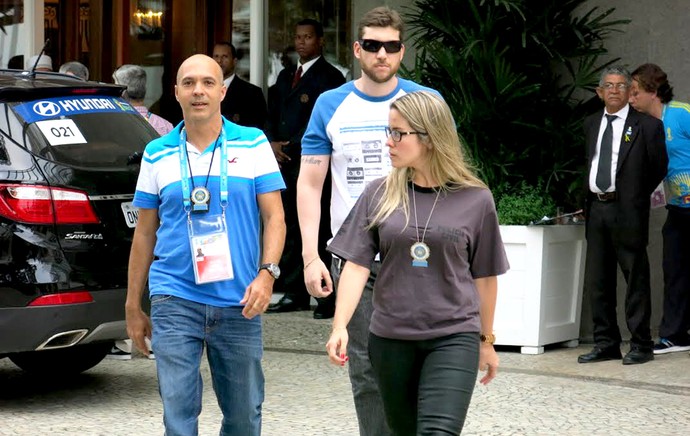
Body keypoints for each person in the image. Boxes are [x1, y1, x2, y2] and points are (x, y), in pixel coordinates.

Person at [325, 90, 508, 435]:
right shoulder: (378, 193)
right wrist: (340, 326)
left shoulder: (476, 199)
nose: (388, 142)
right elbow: (356, 264)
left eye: (397, 133)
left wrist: (486, 341)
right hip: (391, 339)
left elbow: (485, 276)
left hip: (453, 337)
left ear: (429, 137)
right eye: (388, 131)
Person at [125, 54, 286, 435]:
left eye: (208, 83)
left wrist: (267, 275)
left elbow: (275, 218)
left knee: (245, 416)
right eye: (189, 83)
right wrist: (133, 304)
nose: (198, 90)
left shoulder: (253, 143)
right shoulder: (157, 152)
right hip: (174, 297)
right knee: (178, 418)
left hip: (240, 300)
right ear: (176, 92)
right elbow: (144, 233)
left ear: (222, 91)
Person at [297, 6, 438, 435]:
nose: (382, 54)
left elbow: (447, 175)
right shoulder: (330, 104)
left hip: (419, 256)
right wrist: (309, 256)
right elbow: (309, 183)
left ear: (402, 51)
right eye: (373, 45)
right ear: (358, 49)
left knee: (421, 365)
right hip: (357, 258)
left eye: (391, 46)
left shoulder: (425, 103)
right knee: (365, 369)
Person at [577, 66, 668, 366]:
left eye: (621, 86)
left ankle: (641, 344)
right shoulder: (591, 124)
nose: (615, 90)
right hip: (597, 209)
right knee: (599, 280)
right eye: (609, 86)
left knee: (635, 278)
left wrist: (634, 195)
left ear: (631, 92)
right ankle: (606, 343)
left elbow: (658, 166)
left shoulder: (646, 126)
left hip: (627, 209)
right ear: (599, 92)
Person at [266, 18, 346, 319]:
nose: (301, 42)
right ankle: (295, 291)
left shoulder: (331, 78)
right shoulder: (286, 77)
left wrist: (292, 145)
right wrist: (271, 142)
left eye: (308, 37)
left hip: (312, 163)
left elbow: (325, 120)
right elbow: (271, 113)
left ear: (321, 41)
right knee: (288, 226)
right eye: (298, 37)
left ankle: (326, 297)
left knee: (318, 227)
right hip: (283, 164)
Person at [629, 63, 690, 355]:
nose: (630, 98)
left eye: (635, 92)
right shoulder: (643, 125)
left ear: (653, 92)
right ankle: (675, 335)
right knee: (675, 270)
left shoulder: (681, 114)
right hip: (677, 209)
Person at [212, 41, 268, 130]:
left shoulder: (252, 93)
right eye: (216, 56)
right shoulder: (202, 90)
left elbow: (256, 129)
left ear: (234, 61)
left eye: (224, 57)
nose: (219, 61)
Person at [113, 64, 174, 136]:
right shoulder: (166, 126)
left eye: (115, 84)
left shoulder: (112, 124)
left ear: (122, 92)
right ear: (144, 89)